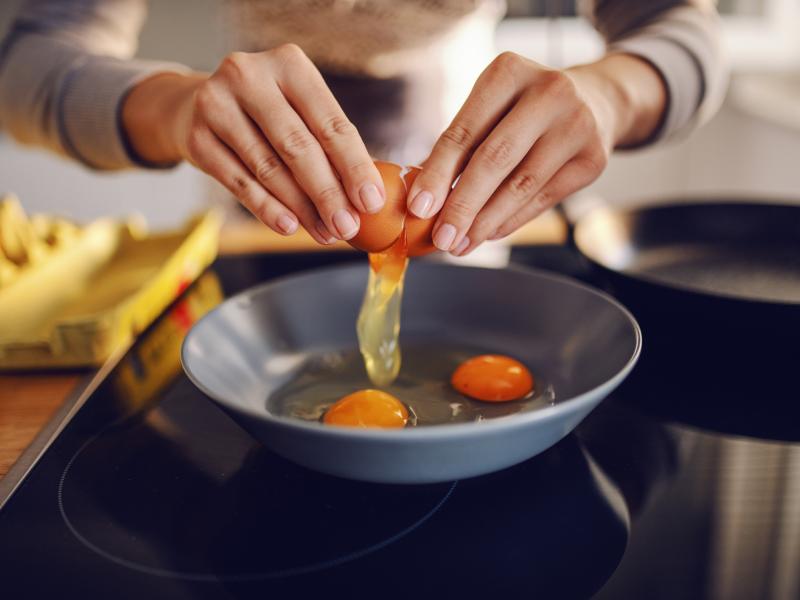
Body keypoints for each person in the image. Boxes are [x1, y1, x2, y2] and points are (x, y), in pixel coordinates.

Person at [0, 0, 725, 256]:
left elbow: (684, 33)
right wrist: (175, 109)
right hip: (261, 207)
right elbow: (26, 66)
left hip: (477, 203)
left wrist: (608, 97)